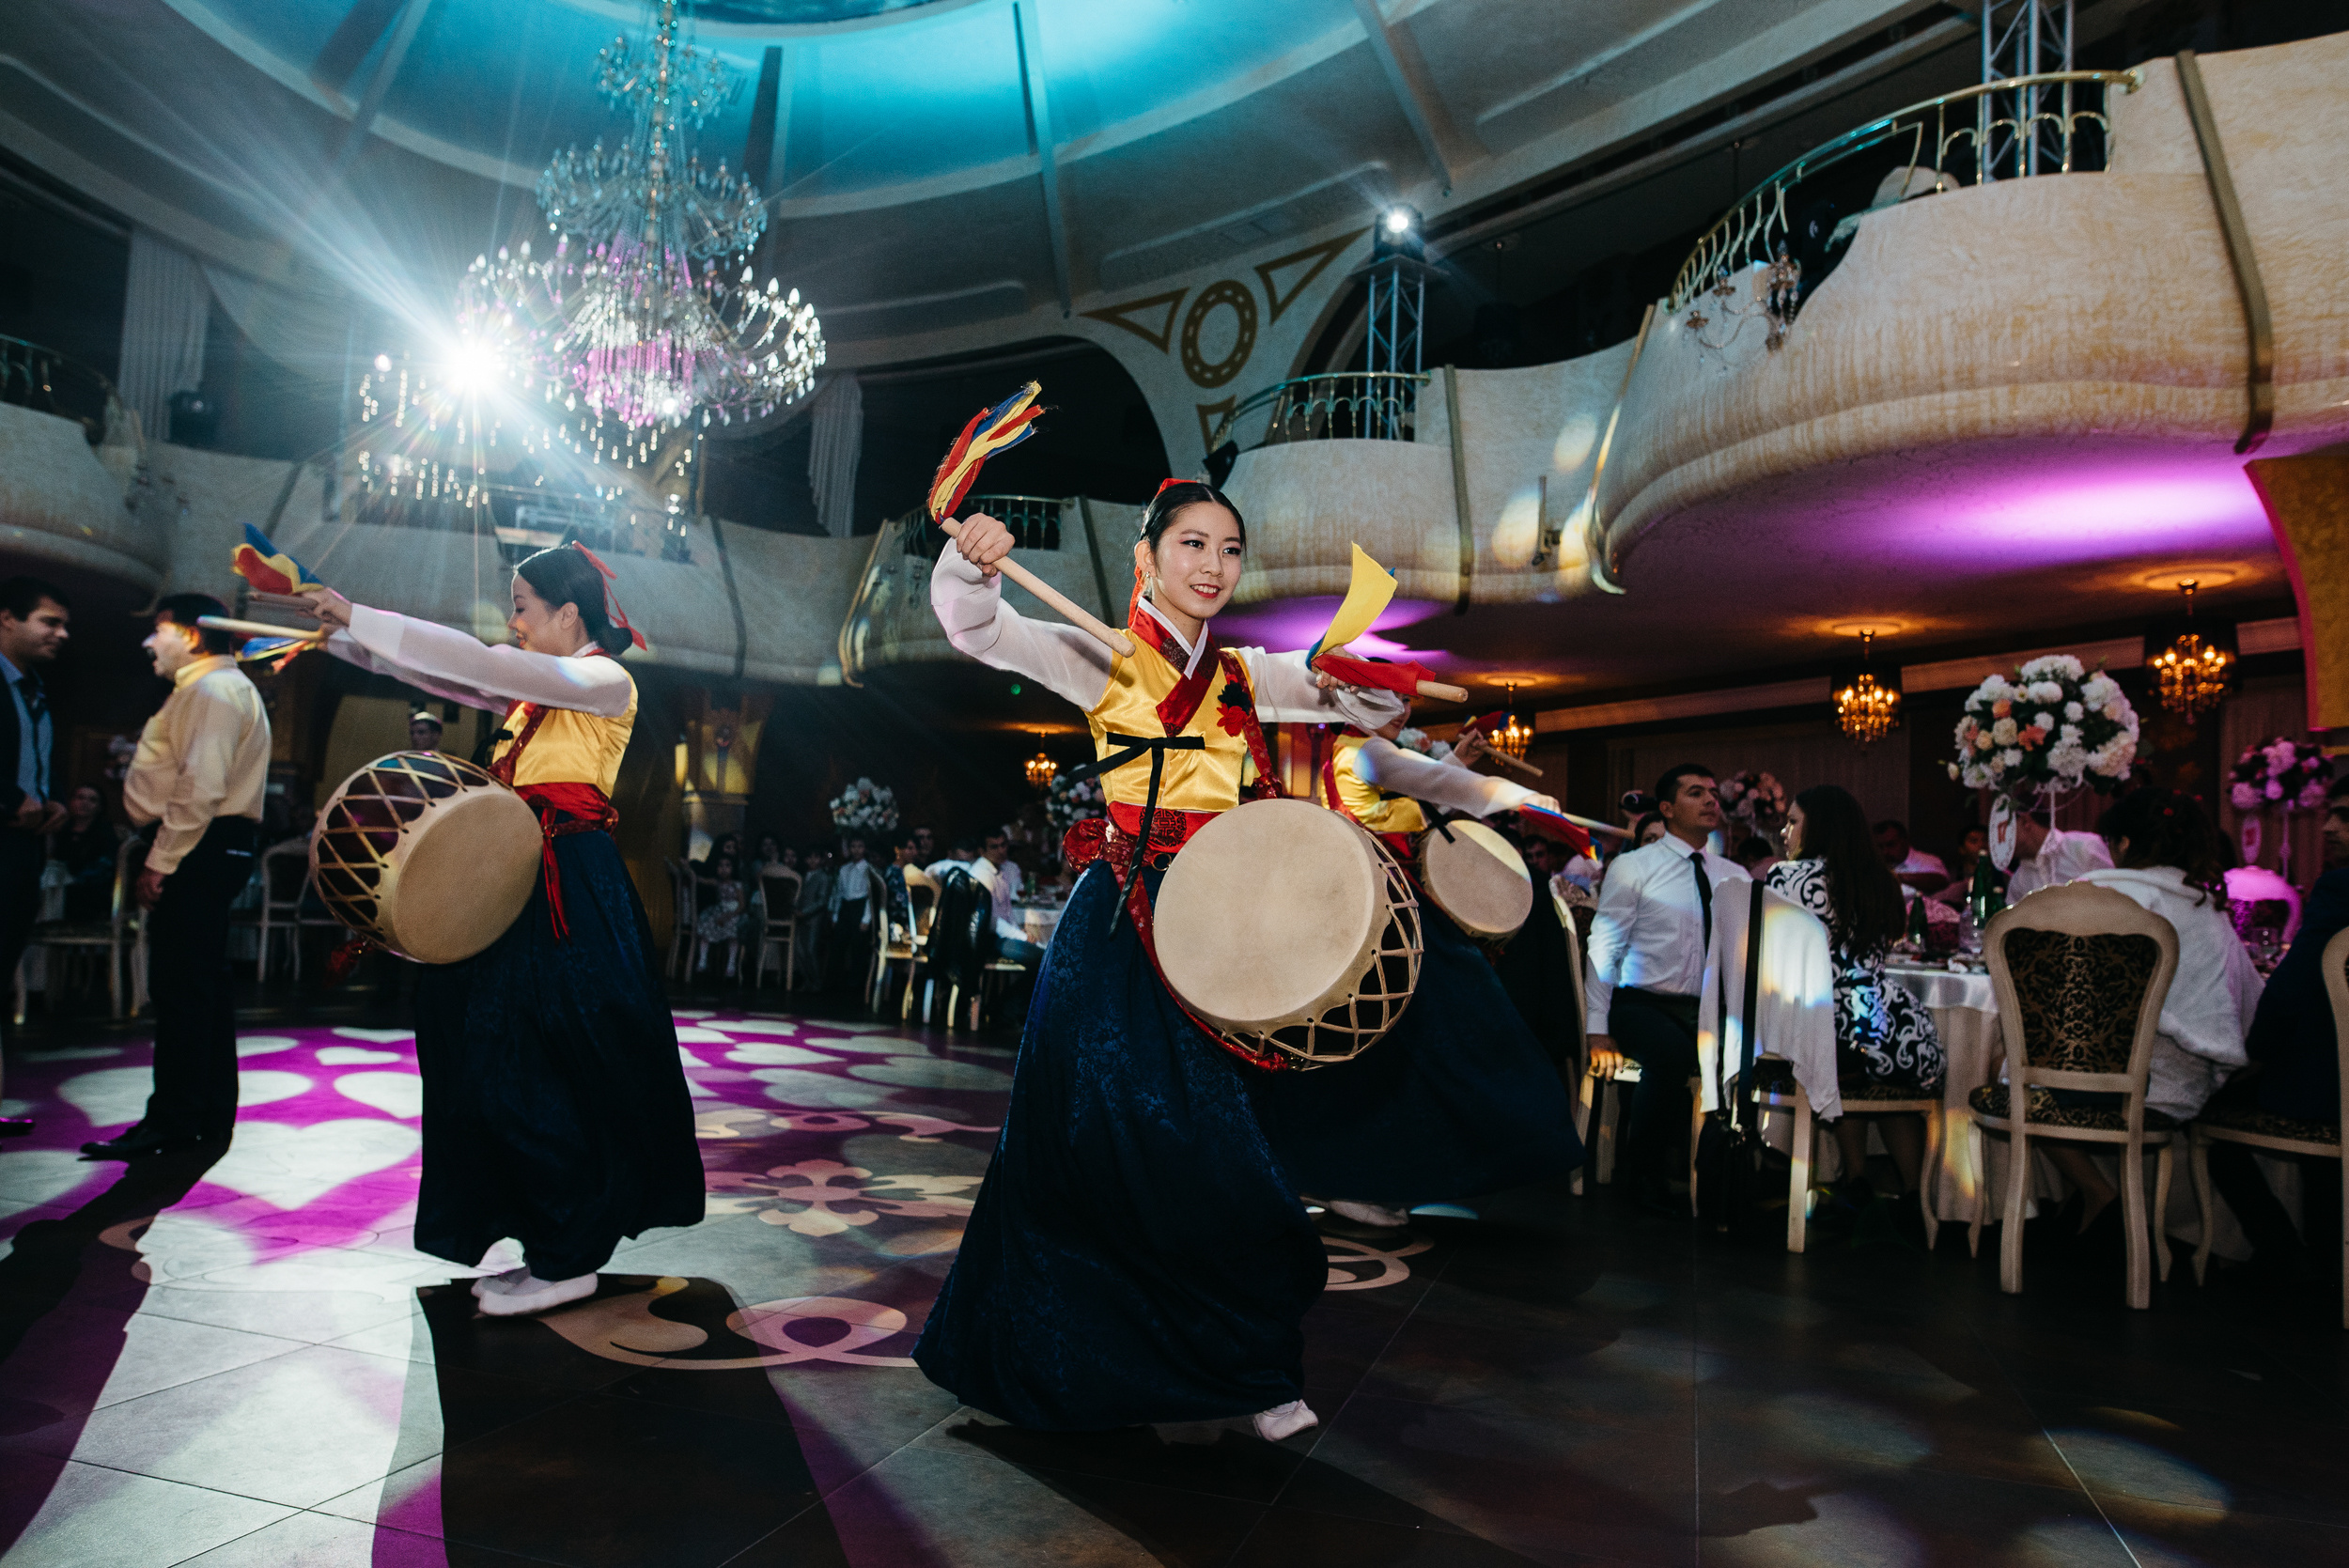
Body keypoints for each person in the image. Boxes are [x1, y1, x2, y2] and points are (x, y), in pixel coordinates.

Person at [915, 480, 1406, 1442]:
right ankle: (1074, 1357)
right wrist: (967, 559)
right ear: (1145, 558)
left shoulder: (1242, 674)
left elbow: (1365, 708)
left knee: (1224, 1150)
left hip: (1221, 927)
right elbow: (976, 627)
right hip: (1120, 929)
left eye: (1229, 548)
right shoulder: (1101, 654)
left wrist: (1364, 684)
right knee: (1092, 1148)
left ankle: (1248, 1363)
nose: (1212, 565)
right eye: (1191, 544)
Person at [297, 544, 703, 1315]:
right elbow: (447, 676)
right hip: (518, 879)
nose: (511, 621)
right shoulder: (539, 694)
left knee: (557, 1060)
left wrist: (363, 618)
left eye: (521, 605)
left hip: (569, 890)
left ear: (568, 613)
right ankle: (544, 1234)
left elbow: (482, 667)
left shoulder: (604, 679)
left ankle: (569, 1252)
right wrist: (350, 641)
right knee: (482, 1049)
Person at [1253, 703, 1580, 1227]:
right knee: (1439, 1039)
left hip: (1386, 906)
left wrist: (1454, 758)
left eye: (1402, 705)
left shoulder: (1362, 753)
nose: (1401, 714)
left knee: (1393, 1051)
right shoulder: (1364, 750)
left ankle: (1357, 1174)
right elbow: (1433, 785)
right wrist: (1519, 796)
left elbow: (1421, 784)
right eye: (1389, 702)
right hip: (1381, 910)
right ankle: (1345, 1177)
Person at [2026, 789, 2260, 1241]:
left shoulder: (2083, 897)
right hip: (2172, 1088)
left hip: (2081, 1077)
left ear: (2125, 844)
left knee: (2016, 1077)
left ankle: (2096, 1192)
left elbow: (2042, 996)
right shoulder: (2205, 909)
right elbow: (2245, 1004)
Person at [83, 595, 270, 1160]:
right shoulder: (225, 687)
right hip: (215, 843)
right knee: (202, 988)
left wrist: (161, 861)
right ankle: (204, 1115)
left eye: (158, 630)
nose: (147, 642)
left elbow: (200, 789)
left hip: (199, 844)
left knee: (182, 988)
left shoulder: (210, 690)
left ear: (191, 635)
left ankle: (172, 1121)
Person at [1585, 764, 1750, 1213]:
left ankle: (1726, 1177)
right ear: (1667, 808)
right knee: (1672, 1054)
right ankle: (1644, 1173)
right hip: (1640, 1002)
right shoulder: (1634, 867)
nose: (1711, 800)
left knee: (1743, 1051)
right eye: (1697, 793)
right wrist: (1596, 1027)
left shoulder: (1732, 875)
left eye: (1714, 793)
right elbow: (1605, 945)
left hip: (1706, 1006)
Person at [1768, 786, 1945, 1201]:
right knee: (1888, 1082)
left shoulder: (1786, 876)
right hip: (1886, 1031)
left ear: (1820, 828)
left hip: (1812, 1025)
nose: (1784, 832)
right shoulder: (1881, 881)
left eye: (1793, 822)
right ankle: (1915, 1196)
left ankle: (1855, 1178)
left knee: (1837, 1063)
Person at [2205, 775, 2349, 1281]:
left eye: (2344, 817)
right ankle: (2330, 1253)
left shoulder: (2339, 889)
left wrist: (2254, 1056)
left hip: (2330, 1087)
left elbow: (2291, 990)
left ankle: (2285, 1252)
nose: (2328, 826)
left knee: (2212, 1115)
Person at [0, 576, 68, 1139]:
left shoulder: (39, 688)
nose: (61, 633)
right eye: (49, 621)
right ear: (6, 620)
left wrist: (54, 802)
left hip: (21, 850)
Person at [2005, 810, 2113, 901]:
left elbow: (2117, 893)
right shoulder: (2018, 881)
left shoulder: (2085, 847)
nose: (1997, 842)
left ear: (2025, 822)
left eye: (2002, 829)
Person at [54, 783, 121, 923]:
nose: (84, 803)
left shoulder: (106, 833)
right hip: (57, 890)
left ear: (100, 806)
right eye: (80, 797)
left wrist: (74, 880)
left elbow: (106, 866)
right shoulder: (58, 831)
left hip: (92, 894)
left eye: (92, 800)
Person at [829, 834, 877, 988]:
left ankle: (855, 984)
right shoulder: (844, 869)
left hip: (860, 907)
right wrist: (835, 915)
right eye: (853, 847)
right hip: (846, 908)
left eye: (860, 846)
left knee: (859, 948)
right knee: (838, 945)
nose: (856, 850)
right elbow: (839, 893)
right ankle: (836, 982)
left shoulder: (869, 869)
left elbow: (870, 896)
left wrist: (866, 918)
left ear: (865, 849)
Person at [693, 853, 746, 981]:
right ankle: (703, 959)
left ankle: (731, 963)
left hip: (733, 912)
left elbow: (742, 904)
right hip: (720, 910)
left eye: (727, 865)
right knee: (707, 923)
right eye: (721, 866)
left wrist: (730, 914)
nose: (724, 869)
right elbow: (701, 880)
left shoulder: (737, 885)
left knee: (733, 931)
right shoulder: (717, 882)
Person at [1875, 819, 1951, 895]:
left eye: (1891, 845)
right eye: (1880, 847)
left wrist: (1898, 877)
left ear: (1905, 840)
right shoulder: (1877, 864)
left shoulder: (1927, 861)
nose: (1885, 852)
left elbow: (1941, 882)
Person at [794, 847, 833, 988]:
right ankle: (807, 980)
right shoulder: (802, 876)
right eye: (809, 857)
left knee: (811, 950)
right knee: (799, 950)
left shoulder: (823, 877)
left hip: (814, 918)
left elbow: (822, 900)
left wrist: (805, 912)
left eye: (816, 857)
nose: (812, 861)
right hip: (800, 918)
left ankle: (816, 981)